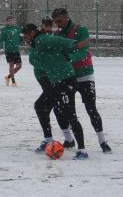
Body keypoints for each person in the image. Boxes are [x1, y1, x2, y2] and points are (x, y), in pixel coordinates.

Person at [23, 23, 90, 160]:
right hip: (57, 81)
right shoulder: (36, 44)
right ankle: (53, 139)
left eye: (25, 36)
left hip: (66, 80)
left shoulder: (42, 40)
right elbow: (39, 59)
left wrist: (74, 44)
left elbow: (56, 41)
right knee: (46, 107)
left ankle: (82, 150)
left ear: (31, 33)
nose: (24, 39)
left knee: (70, 114)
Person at [53, 7, 112, 153]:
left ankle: (102, 140)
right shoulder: (57, 34)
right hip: (67, 77)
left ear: (67, 16)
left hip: (85, 75)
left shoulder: (81, 30)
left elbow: (84, 51)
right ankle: (69, 139)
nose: (58, 24)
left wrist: (68, 58)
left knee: (91, 109)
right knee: (64, 110)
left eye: (60, 21)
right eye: (56, 22)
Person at [0, 16, 22, 86]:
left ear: (13, 21)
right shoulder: (4, 30)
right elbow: (1, 40)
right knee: (11, 66)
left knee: (19, 66)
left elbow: (21, 36)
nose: (10, 22)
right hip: (9, 50)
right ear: (7, 21)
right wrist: (1, 48)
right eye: (9, 20)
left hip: (16, 50)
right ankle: (13, 81)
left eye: (11, 20)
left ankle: (8, 77)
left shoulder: (17, 29)